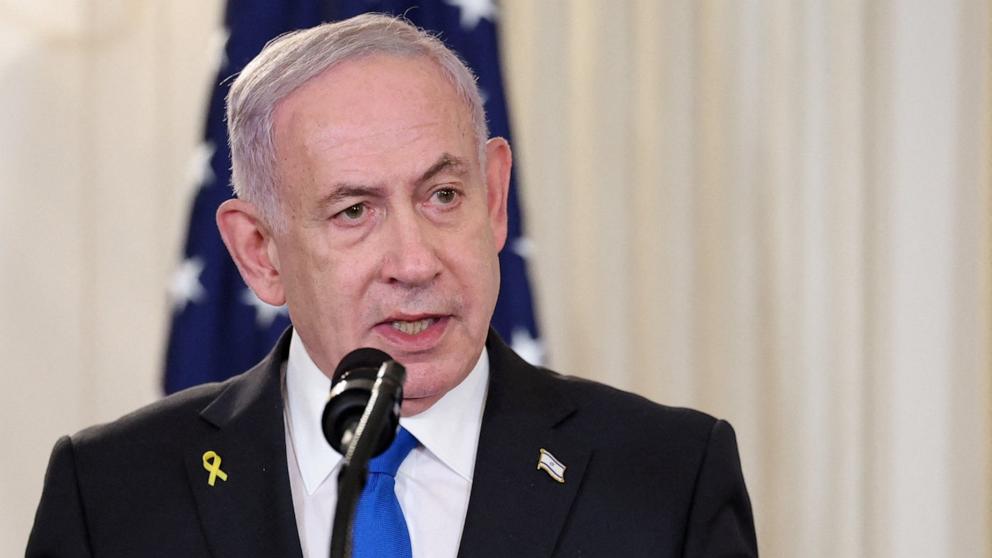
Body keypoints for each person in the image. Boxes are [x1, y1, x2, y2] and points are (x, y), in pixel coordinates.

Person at [27, 13, 757, 558]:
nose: (415, 262)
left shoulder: (667, 482)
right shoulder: (112, 495)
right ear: (259, 253)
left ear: (496, 199)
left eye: (443, 196)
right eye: (354, 211)